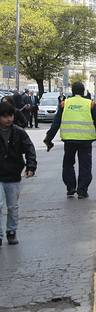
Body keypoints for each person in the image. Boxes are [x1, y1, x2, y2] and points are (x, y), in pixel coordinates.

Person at [43, 82, 96, 199]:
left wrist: (48, 138)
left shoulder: (64, 104)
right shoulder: (90, 104)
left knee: (68, 164)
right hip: (85, 141)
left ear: (72, 91)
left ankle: (70, 187)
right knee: (85, 166)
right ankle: (82, 191)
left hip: (69, 140)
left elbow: (56, 123)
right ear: (84, 91)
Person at [0, 101, 37, 246]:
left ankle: (11, 231)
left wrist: (31, 167)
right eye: (4, 116)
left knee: (13, 206)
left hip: (13, 174)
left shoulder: (18, 132)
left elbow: (29, 149)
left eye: (10, 116)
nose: (8, 119)